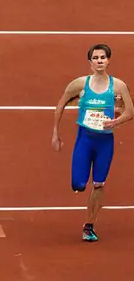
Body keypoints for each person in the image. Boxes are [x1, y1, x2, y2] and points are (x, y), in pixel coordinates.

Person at [52, 43, 133, 242]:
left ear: (108, 61)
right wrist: (55, 133)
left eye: (103, 58)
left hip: (105, 142)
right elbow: (60, 105)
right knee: (78, 184)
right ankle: (80, 186)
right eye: (95, 58)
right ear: (90, 62)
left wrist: (115, 121)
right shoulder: (79, 84)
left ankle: (89, 225)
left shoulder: (119, 86)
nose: (99, 61)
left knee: (98, 184)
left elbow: (130, 112)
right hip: (85, 139)